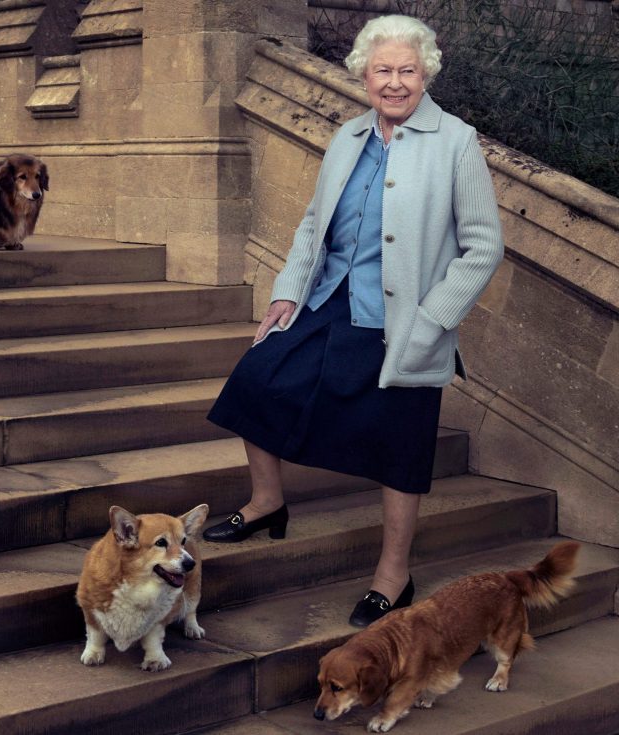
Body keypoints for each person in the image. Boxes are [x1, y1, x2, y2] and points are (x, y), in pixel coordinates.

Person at [203, 14, 504, 628]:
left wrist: (434, 321)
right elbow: (315, 224)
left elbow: (483, 245)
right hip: (330, 299)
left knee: (400, 443)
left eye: (406, 71)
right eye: (382, 71)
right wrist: (287, 293)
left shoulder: (455, 142)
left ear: (426, 75)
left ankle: (394, 576)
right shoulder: (347, 137)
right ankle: (266, 504)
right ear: (363, 74)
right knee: (256, 381)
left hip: (403, 320)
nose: (393, 83)